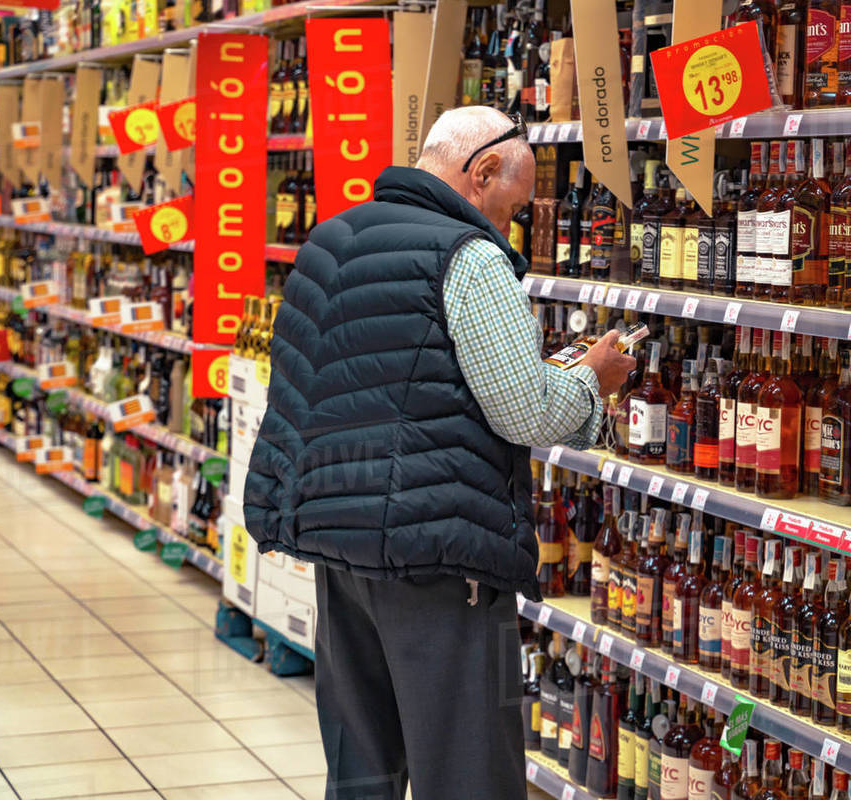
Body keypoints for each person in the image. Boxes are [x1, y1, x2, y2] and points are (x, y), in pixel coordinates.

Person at [243, 106, 635, 800]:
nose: (508, 228)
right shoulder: (468, 256)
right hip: (438, 560)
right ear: (480, 172)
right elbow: (526, 411)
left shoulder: (330, 237)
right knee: (468, 773)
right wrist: (589, 383)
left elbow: (313, 389)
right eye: (511, 210)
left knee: (362, 768)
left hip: (339, 546)